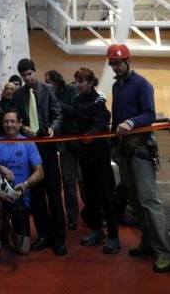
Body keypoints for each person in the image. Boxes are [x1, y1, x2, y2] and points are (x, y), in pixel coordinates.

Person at [108, 43, 170, 273]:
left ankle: (165, 251)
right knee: (135, 201)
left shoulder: (141, 84)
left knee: (149, 201)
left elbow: (149, 114)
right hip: (124, 150)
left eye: (118, 62)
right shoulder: (117, 86)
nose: (115, 67)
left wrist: (131, 122)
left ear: (128, 60)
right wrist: (114, 145)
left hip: (141, 149)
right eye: (112, 63)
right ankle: (147, 241)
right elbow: (116, 118)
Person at [10, 58, 67, 256]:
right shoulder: (18, 95)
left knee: (53, 193)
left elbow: (58, 114)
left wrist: (53, 128)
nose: (27, 78)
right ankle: (44, 234)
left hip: (48, 146)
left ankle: (60, 237)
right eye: (23, 75)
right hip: (29, 148)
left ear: (34, 71)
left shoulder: (48, 90)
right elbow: (16, 117)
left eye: (29, 74)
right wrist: (22, 127)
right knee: (36, 195)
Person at [0, 109, 44, 264]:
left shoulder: (28, 143)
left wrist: (26, 184)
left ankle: (8, 227)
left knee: (24, 251)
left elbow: (40, 172)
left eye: (13, 121)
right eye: (6, 121)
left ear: (20, 124)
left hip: (20, 198)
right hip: (0, 194)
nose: (9, 125)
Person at [73, 67, 121, 254]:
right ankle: (96, 230)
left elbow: (101, 122)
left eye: (81, 81)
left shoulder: (99, 101)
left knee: (106, 195)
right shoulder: (77, 101)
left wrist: (91, 135)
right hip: (84, 155)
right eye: (76, 81)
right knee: (89, 194)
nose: (77, 84)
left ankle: (114, 236)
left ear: (91, 82)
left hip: (100, 155)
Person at [45, 69, 81, 230]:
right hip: (64, 142)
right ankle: (72, 216)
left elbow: (75, 111)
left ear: (56, 81)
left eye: (49, 82)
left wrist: (58, 104)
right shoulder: (50, 96)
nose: (47, 85)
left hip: (77, 140)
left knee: (83, 179)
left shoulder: (71, 90)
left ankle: (94, 214)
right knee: (68, 180)